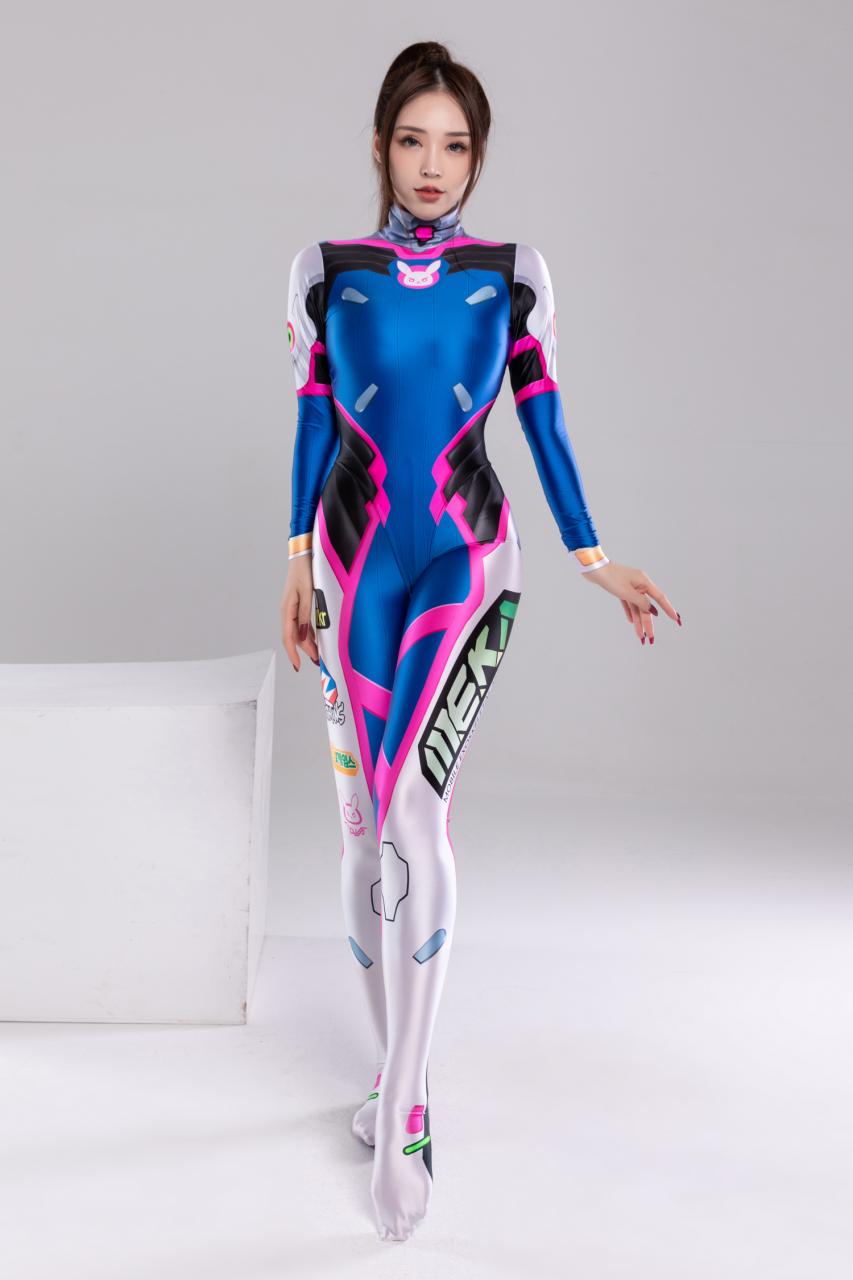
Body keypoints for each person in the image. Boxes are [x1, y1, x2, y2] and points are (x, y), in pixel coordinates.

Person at [280, 41, 681, 1243]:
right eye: (413, 139)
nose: (433, 164)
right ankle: (386, 1067)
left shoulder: (510, 276)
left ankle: (407, 1104)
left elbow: (544, 421)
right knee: (362, 829)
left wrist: (592, 555)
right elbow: (311, 421)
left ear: (477, 155)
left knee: (416, 812)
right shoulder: (324, 272)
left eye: (455, 145)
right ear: (379, 145)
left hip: (467, 563)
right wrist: (294, 564)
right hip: (350, 571)